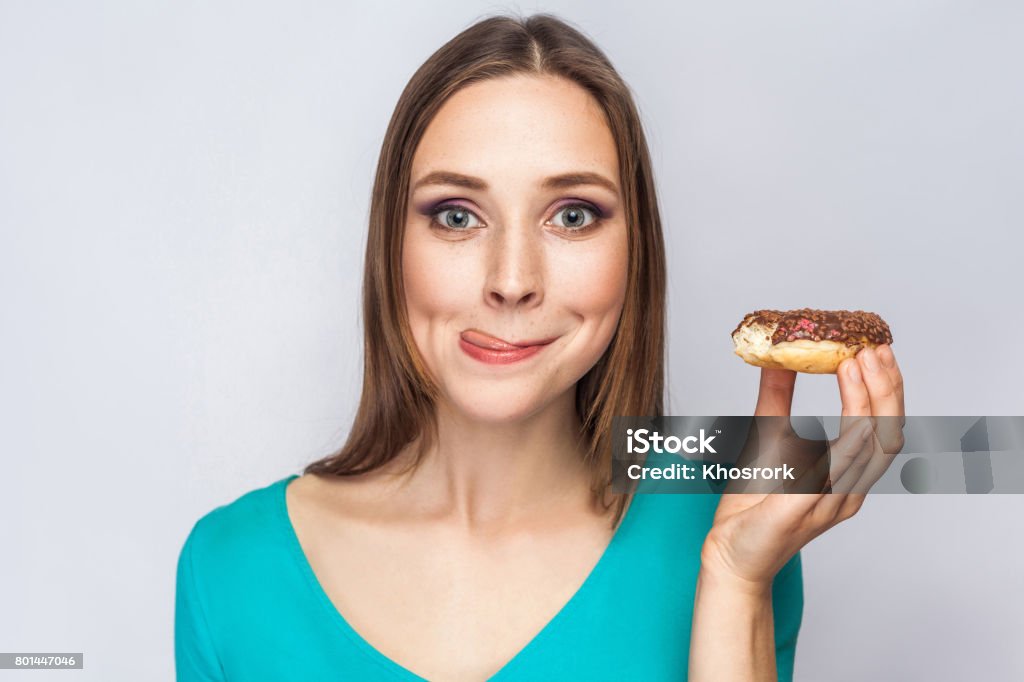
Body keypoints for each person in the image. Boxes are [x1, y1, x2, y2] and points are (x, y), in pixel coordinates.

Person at [175, 13, 905, 681]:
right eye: (456, 215)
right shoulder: (231, 570)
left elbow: (986, 455)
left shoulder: (732, 518)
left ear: (636, 251)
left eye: (573, 215)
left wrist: (737, 580)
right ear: (390, 246)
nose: (512, 281)